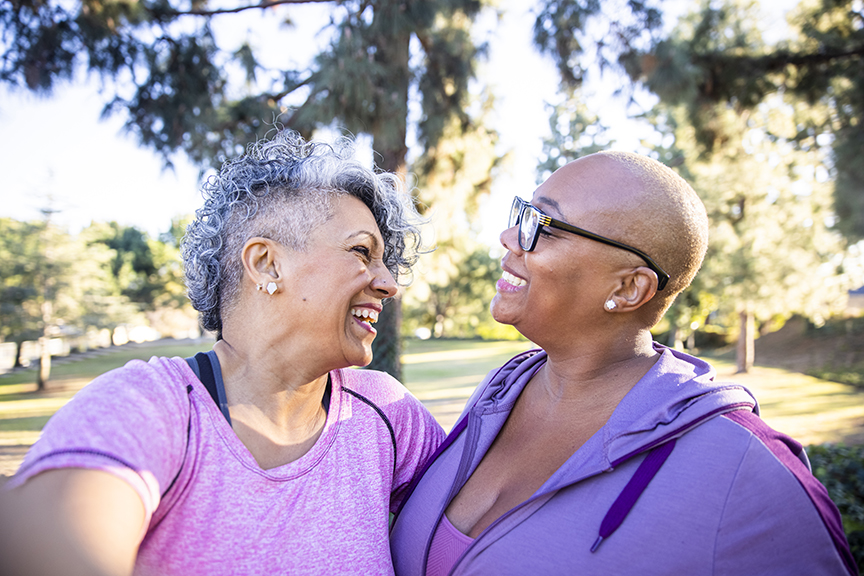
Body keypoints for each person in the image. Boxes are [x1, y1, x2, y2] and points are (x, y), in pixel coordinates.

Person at [0, 130, 444, 575]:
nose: (389, 284)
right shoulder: (151, 408)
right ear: (267, 264)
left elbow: (493, 525)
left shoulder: (387, 415)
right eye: (362, 251)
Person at [390, 151, 856, 575]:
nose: (509, 237)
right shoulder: (499, 393)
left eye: (543, 225)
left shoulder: (750, 472)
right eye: (522, 213)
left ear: (628, 289)